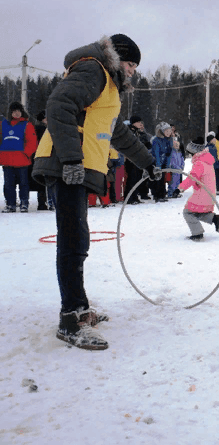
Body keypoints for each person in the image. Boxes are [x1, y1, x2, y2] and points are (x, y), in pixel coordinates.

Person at [32, 34, 158, 350]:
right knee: (73, 239)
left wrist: (146, 161)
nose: (132, 71)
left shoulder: (108, 87)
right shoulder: (92, 70)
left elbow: (117, 133)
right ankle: (70, 319)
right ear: (118, 58)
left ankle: (81, 308)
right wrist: (72, 158)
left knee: (79, 238)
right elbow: (58, 105)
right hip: (66, 165)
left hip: (78, 167)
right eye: (130, 64)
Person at [178, 138, 219, 241]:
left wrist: (180, 188)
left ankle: (197, 233)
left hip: (203, 194)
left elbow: (191, 178)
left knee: (188, 212)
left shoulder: (199, 163)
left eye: (190, 152)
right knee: (198, 212)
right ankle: (214, 219)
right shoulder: (207, 160)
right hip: (209, 194)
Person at [1, 101, 38, 212]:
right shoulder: (3, 124)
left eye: (18, 111)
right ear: (10, 112)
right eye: (14, 111)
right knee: (8, 184)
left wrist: (25, 154)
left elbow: (32, 142)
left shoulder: (27, 124)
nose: (16, 113)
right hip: (7, 160)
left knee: (23, 183)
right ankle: (10, 204)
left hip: (22, 160)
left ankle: (24, 203)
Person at [124, 115, 152, 204]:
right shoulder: (129, 131)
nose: (140, 124)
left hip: (138, 158)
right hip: (130, 158)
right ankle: (129, 197)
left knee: (137, 177)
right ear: (134, 123)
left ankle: (135, 196)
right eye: (138, 122)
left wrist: (144, 136)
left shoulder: (138, 132)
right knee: (132, 178)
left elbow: (143, 143)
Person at [149, 121, 173, 202]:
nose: (168, 133)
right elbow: (156, 153)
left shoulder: (169, 140)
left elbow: (169, 153)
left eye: (170, 131)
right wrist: (158, 165)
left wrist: (167, 164)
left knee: (162, 179)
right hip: (156, 162)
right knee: (157, 179)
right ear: (162, 131)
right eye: (167, 131)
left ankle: (162, 194)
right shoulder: (156, 140)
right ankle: (157, 196)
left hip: (163, 162)